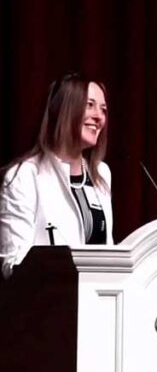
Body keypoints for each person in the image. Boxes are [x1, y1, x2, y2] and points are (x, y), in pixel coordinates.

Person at [0, 72, 112, 278]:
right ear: (65, 110)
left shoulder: (102, 174)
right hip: (49, 306)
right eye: (90, 105)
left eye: (103, 109)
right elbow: (12, 264)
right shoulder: (25, 176)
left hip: (98, 305)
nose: (99, 116)